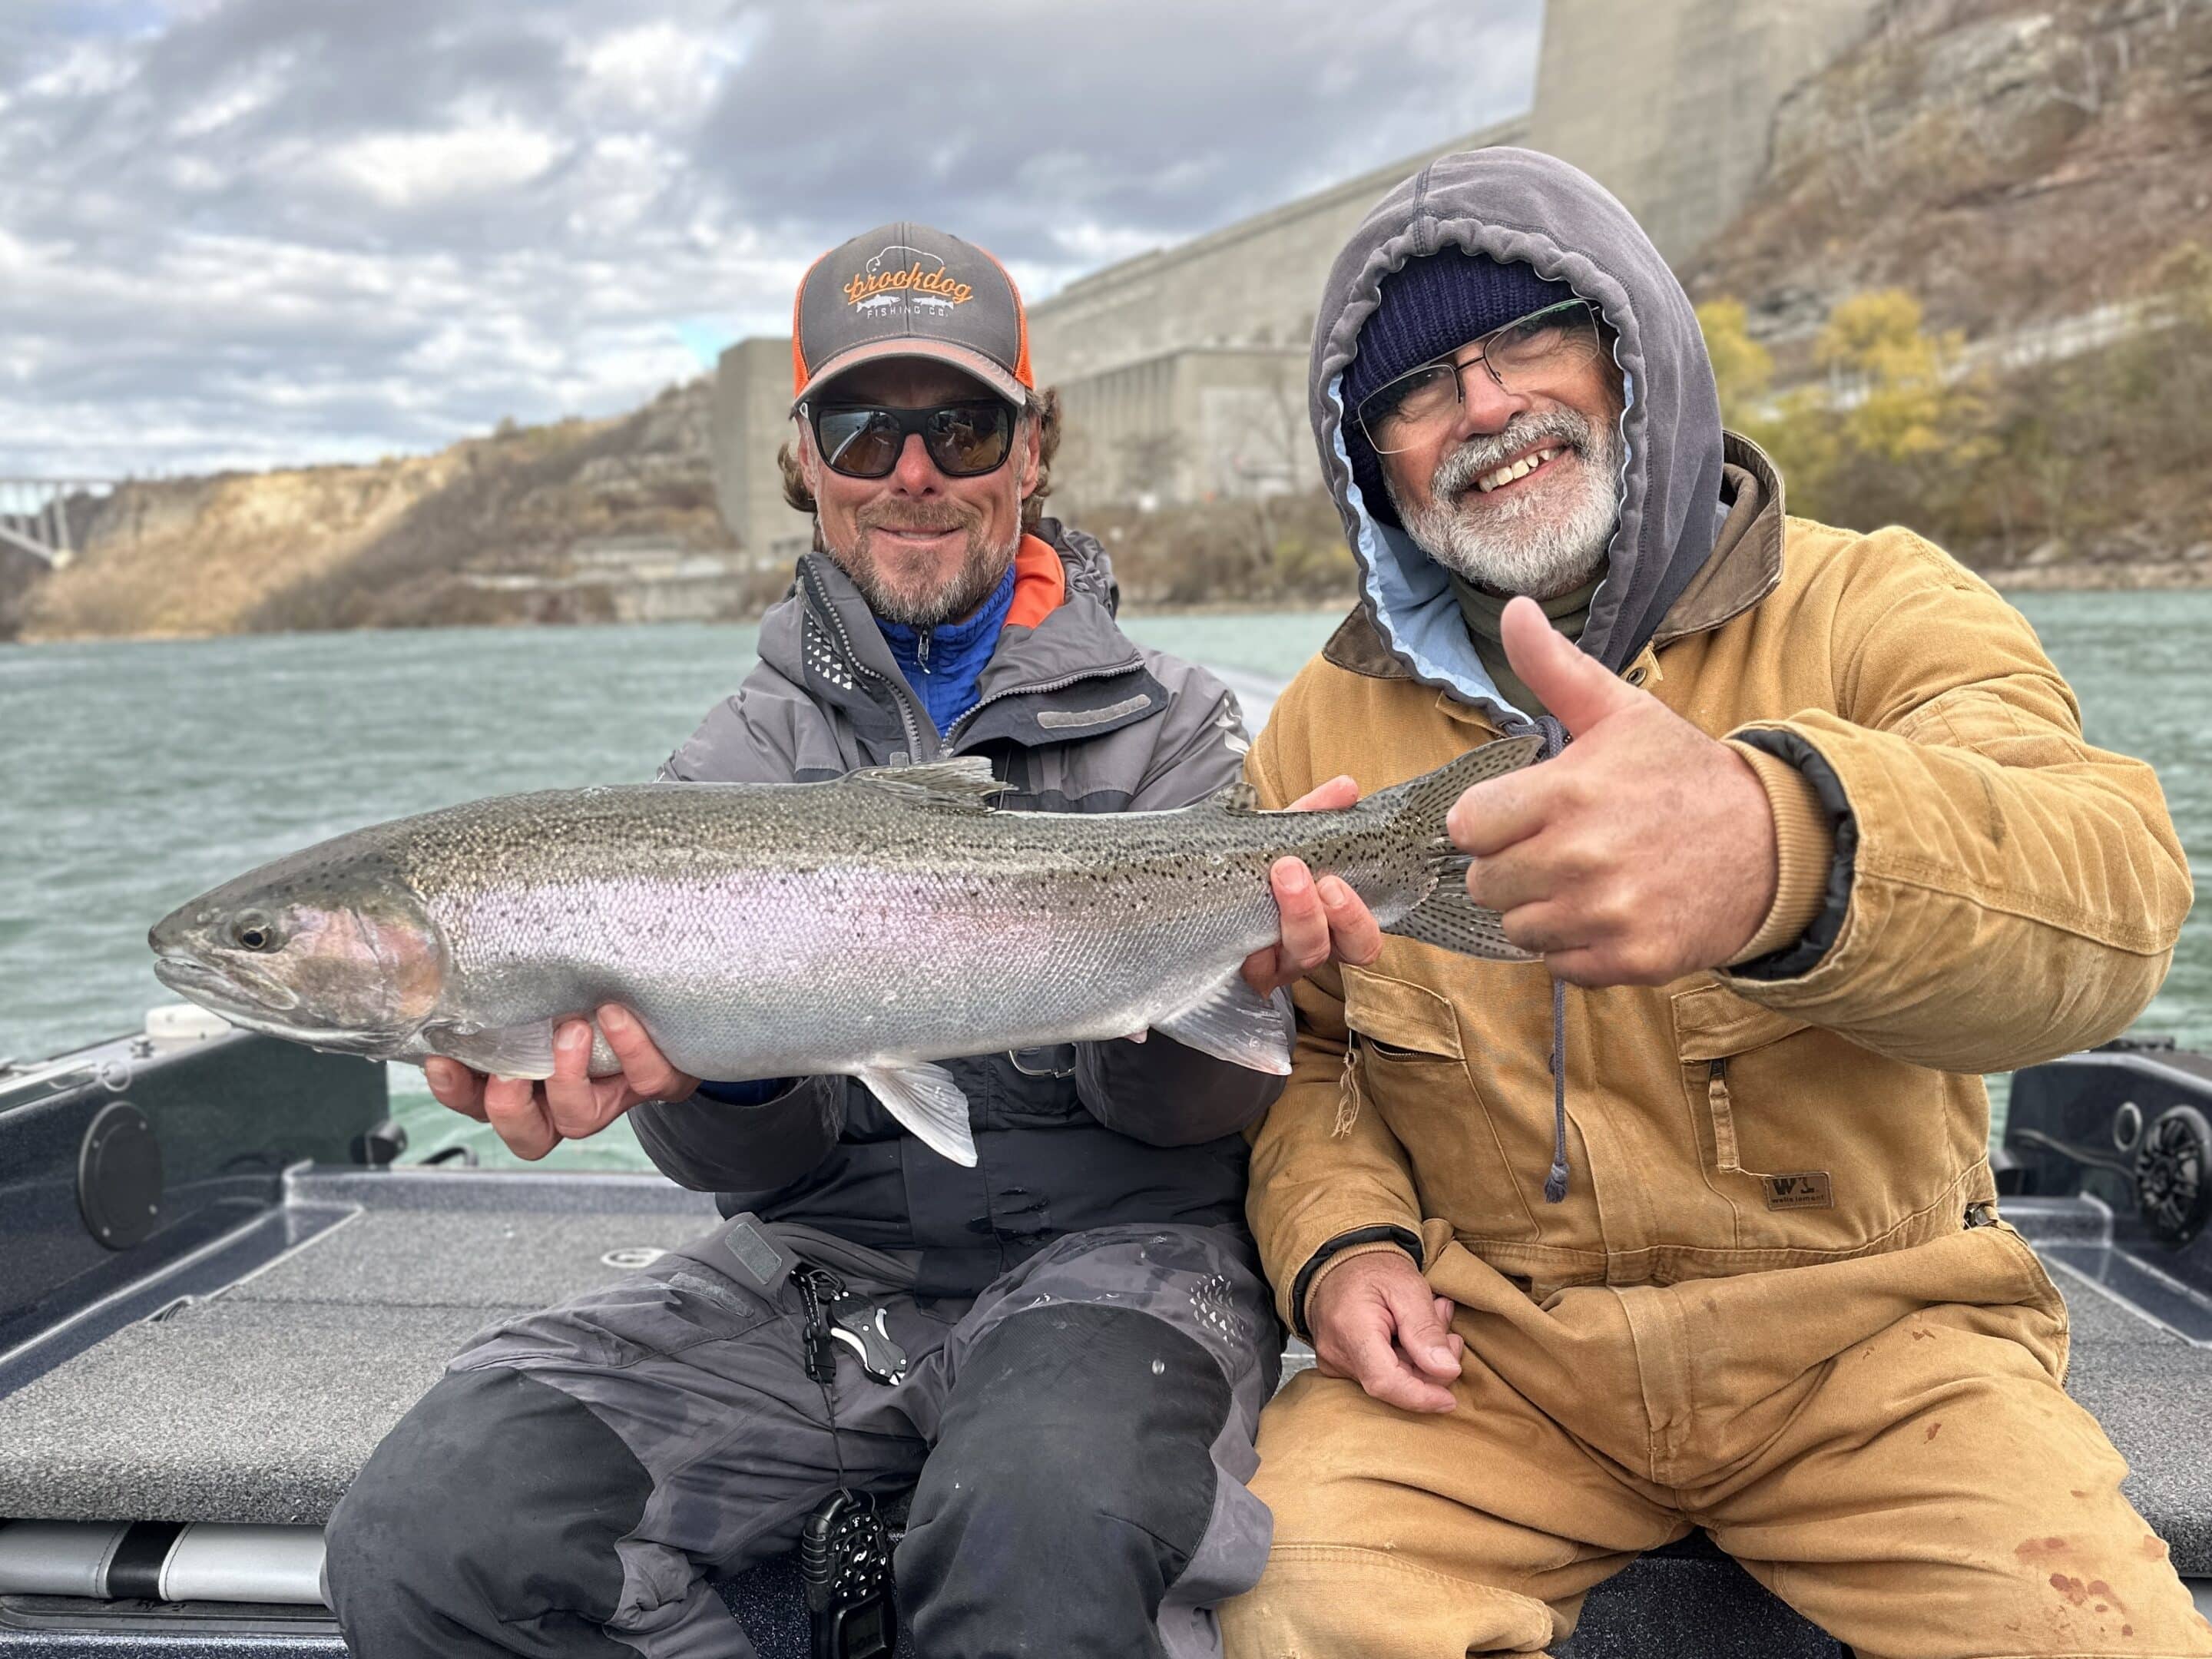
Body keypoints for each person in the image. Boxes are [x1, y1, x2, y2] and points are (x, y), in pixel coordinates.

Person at [1217, 148, 2207, 1658]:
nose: (1485, 407)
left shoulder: (1879, 603)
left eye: (1532, 336)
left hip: (1886, 1352)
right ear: (1374, 463)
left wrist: (1782, 845)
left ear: (1631, 359)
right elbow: (1315, 1063)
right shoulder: (1308, 732)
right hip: (1493, 1367)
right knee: (1281, 1601)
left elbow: (2116, 896)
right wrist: (1342, 1251)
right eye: (1419, 392)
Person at [324, 221, 1358, 1659]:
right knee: (432, 1535)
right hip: (811, 1269)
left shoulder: (1179, 729)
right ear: (805, 462)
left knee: (1039, 1549)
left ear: (1033, 449)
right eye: (865, 431)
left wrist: (1235, 982)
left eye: (961, 424)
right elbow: (755, 1171)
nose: (914, 471)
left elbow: (1185, 1123)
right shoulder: (733, 760)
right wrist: (725, 1075)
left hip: (1120, 1257)